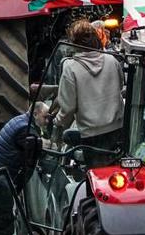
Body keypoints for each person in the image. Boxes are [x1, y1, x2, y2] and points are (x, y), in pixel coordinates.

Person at [51, 20, 124, 160]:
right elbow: (120, 87)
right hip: (117, 130)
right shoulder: (112, 60)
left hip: (91, 136)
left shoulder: (70, 68)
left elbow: (68, 108)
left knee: (96, 176)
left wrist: (57, 123)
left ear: (74, 43)